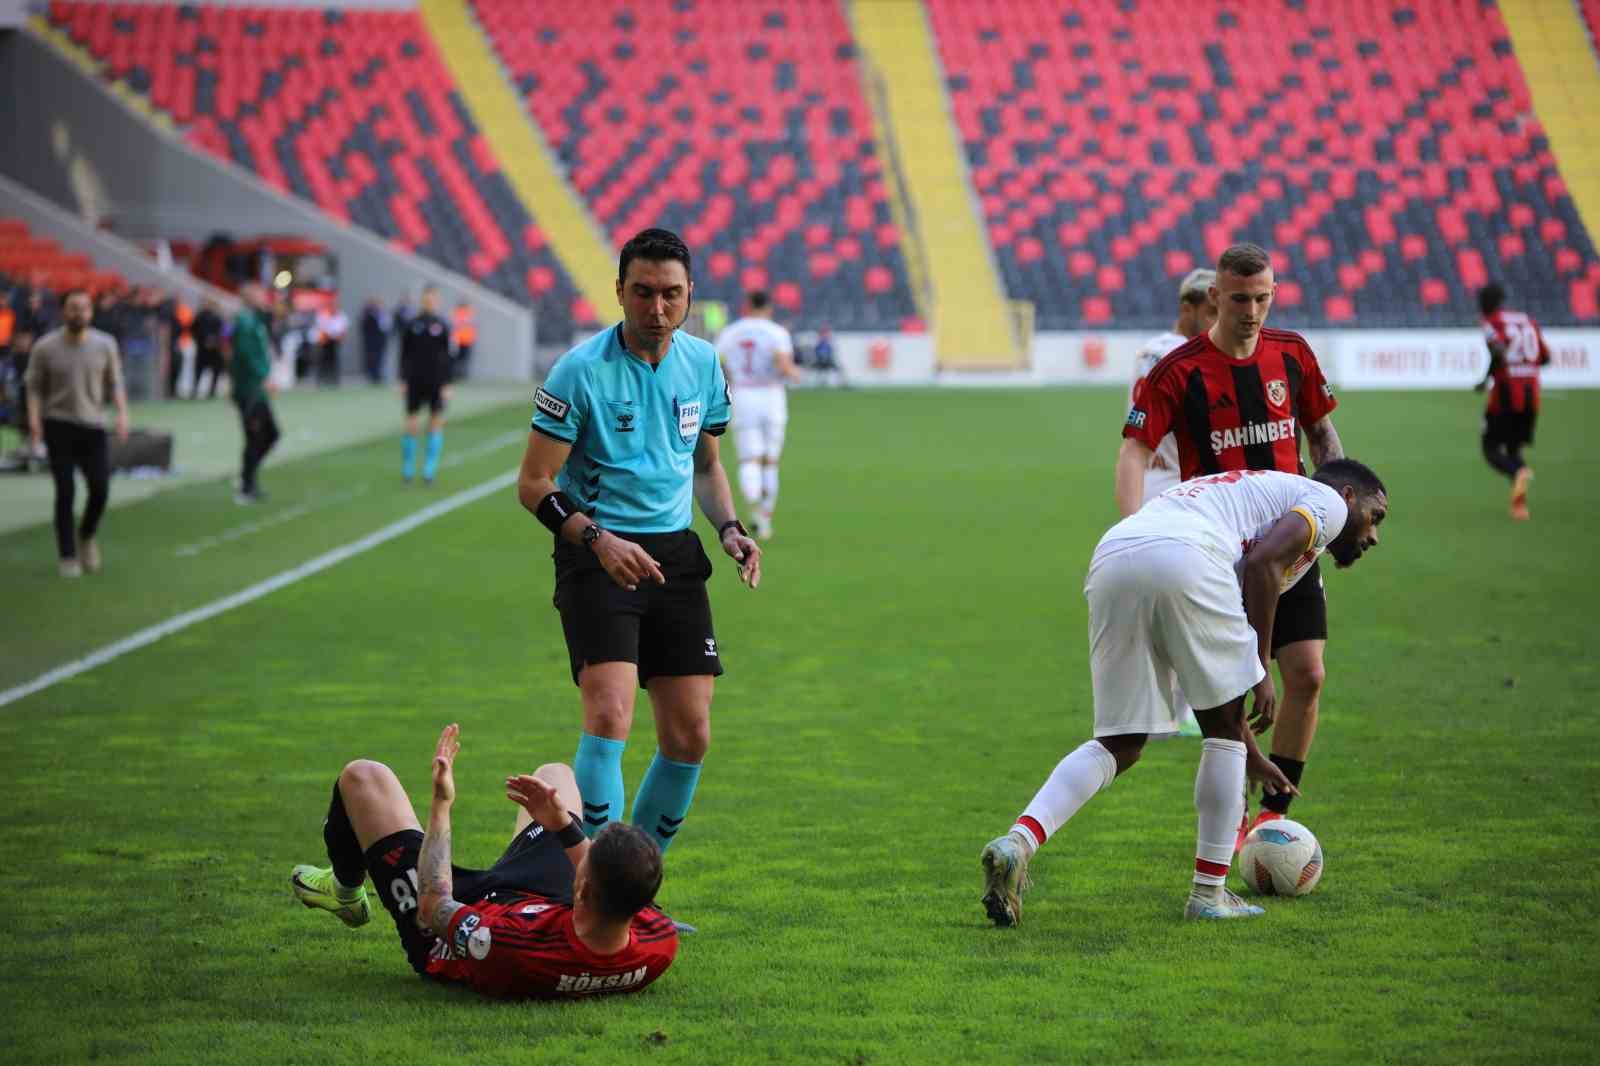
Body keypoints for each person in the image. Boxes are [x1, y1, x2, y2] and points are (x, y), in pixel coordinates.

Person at [981, 461, 1388, 925]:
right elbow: (1263, 565)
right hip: (1187, 555)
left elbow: (1212, 669)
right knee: (1223, 736)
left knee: (1121, 743)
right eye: (1376, 516)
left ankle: (1018, 841)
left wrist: (1250, 748)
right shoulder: (1328, 502)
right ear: (1350, 495)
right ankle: (1208, 894)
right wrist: (1260, 668)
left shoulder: (1237, 495)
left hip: (1116, 553)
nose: (1373, 535)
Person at [516, 227, 761, 866]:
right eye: (644, 293)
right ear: (620, 292)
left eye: (671, 295)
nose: (657, 309)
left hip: (676, 557)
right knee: (610, 715)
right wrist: (597, 541)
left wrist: (731, 530)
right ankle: (591, 880)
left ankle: (635, 888)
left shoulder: (703, 363)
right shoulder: (579, 372)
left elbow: (705, 466)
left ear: (690, 297)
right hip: (597, 554)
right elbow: (534, 484)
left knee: (690, 734)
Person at [1115, 243, 1343, 838]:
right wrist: (1129, 526)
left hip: (1293, 543)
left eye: (1263, 298)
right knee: (1233, 697)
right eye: (1240, 299)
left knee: (1308, 675)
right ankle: (1232, 820)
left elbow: (1321, 432)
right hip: (1220, 555)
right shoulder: (1180, 369)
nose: (1252, 310)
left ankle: (1275, 816)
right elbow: (1134, 449)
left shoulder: (1292, 354)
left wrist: (1336, 503)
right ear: (1215, 297)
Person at [290, 724, 678, 999]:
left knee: (363, 776)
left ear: (584, 885)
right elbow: (602, 889)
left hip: (451, 922)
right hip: (547, 904)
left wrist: (442, 803)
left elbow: (433, 905)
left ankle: (344, 890)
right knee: (555, 776)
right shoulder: (659, 940)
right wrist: (560, 823)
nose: (582, 849)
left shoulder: (508, 944)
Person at [1125, 267, 1218, 739]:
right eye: (1212, 311)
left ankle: (1178, 710)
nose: (1219, 321)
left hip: (1193, 491)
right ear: (1188, 308)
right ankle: (1167, 710)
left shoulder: (1169, 353)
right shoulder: (1162, 355)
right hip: (1164, 489)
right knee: (1173, 607)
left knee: (1191, 605)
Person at [23, 289, 128, 577]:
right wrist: (34, 422)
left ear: (91, 312)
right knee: (65, 491)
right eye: (72, 308)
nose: (78, 313)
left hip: (93, 425)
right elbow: (33, 387)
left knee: (100, 489)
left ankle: (87, 535)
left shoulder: (105, 344)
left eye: (83, 308)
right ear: (63, 311)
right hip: (59, 425)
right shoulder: (45, 347)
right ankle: (67, 555)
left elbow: (115, 382)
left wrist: (122, 414)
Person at [714, 290, 799, 539]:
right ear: (769, 308)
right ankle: (765, 514)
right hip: (772, 396)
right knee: (769, 461)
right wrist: (795, 374)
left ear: (747, 306)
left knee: (748, 459)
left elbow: (721, 364)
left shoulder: (731, 332)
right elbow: (784, 365)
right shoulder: (776, 332)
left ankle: (753, 507)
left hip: (743, 395)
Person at [1474, 282, 1549, 520]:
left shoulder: (1491, 323)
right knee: (1514, 449)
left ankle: (1519, 471)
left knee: (1491, 449)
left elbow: (1497, 351)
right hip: (1531, 396)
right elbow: (1545, 358)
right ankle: (1520, 507)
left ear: (1486, 303)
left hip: (1506, 395)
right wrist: (1525, 368)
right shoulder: (1527, 320)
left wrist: (1486, 378)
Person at [229, 281, 280, 504]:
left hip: (257, 389)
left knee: (270, 434)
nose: (264, 297)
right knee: (255, 436)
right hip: (250, 389)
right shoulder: (245, 322)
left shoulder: (255, 320)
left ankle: (247, 478)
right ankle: (246, 484)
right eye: (260, 294)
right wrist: (263, 377)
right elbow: (246, 353)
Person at [398, 287, 452, 484]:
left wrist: (447, 383)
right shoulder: (412, 324)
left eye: (433, 299)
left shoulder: (442, 325)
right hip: (414, 380)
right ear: (422, 300)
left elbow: (448, 357)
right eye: (427, 299)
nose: (430, 302)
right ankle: (408, 467)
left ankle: (429, 469)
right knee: (411, 422)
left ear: (437, 301)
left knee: (435, 421)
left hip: (436, 381)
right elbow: (404, 354)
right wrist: (403, 380)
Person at [191, 299, 226, 399]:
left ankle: (211, 391)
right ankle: (198, 390)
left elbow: (222, 332)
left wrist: (214, 341)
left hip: (213, 349)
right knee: (200, 371)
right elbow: (193, 330)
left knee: (213, 371)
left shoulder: (216, 318)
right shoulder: (200, 317)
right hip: (203, 348)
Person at [314, 303, 348, 387]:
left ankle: (334, 379)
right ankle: (322, 379)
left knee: (334, 360)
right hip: (325, 340)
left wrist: (339, 336)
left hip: (335, 341)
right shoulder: (323, 315)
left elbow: (343, 328)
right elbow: (321, 327)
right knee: (323, 360)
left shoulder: (341, 315)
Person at [360, 299, 390, 384]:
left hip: (381, 340)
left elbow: (386, 327)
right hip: (372, 341)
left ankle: (378, 375)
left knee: (380, 358)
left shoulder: (383, 315)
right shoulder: (369, 315)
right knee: (372, 358)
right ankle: (373, 375)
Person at [451, 300, 477, 380]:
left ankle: (461, 375)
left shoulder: (469, 313)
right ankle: (455, 375)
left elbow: (472, 327)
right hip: (459, 341)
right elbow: (455, 326)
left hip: (467, 341)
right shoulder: (457, 313)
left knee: (464, 360)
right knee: (456, 359)